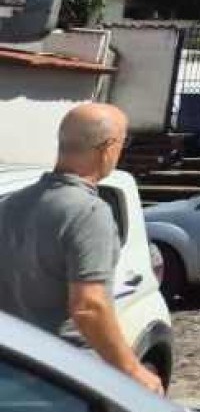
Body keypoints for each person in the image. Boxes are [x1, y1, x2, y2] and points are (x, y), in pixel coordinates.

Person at [0, 103, 164, 394]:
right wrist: (133, 370)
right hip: (65, 374)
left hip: (12, 366)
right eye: (124, 141)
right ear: (109, 147)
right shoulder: (89, 212)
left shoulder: (10, 205)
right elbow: (89, 307)